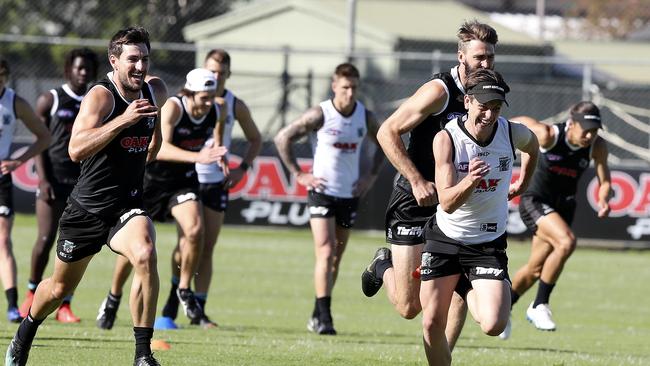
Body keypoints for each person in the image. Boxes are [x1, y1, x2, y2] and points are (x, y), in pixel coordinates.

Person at [5, 26, 170, 366]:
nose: (140, 67)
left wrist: (147, 148)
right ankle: (25, 332)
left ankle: (142, 354)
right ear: (115, 61)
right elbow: (76, 148)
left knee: (146, 253)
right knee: (57, 290)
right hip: (87, 209)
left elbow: (155, 140)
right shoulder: (101, 96)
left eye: (145, 59)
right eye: (133, 60)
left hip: (128, 205)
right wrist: (123, 122)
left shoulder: (156, 90)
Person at [360, 19, 498, 349]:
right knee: (409, 307)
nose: (486, 64)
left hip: (455, 203)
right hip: (415, 198)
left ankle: (442, 357)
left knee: (461, 283)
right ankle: (383, 265)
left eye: (490, 57)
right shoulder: (440, 91)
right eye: (479, 57)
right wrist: (417, 179)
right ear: (461, 56)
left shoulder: (488, 94)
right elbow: (386, 132)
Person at [419, 68, 538, 366]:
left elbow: (533, 146)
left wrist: (523, 181)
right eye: (484, 107)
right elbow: (446, 202)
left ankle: (463, 282)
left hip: (487, 243)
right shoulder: (447, 139)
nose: (489, 115)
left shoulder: (511, 132)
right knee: (432, 323)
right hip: (446, 238)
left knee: (493, 324)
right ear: (467, 101)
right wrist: (470, 181)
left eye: (496, 108)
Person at [96, 68, 227, 331]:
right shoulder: (174, 109)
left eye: (212, 96)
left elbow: (216, 137)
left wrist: (218, 156)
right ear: (190, 93)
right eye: (204, 97)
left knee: (194, 230)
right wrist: (198, 157)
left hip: (183, 182)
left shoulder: (218, 109)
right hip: (150, 182)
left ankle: (184, 289)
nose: (209, 102)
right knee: (133, 251)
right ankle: (112, 297)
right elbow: (160, 148)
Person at [154, 49, 263, 329]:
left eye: (221, 72)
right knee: (187, 241)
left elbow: (253, 139)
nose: (216, 76)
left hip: (214, 179)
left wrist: (240, 167)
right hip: (187, 175)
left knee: (206, 246)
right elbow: (163, 145)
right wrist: (201, 155)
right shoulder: (183, 103)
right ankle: (171, 301)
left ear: (228, 74)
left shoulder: (229, 104)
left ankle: (197, 310)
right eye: (211, 71)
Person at [275, 63, 384, 335]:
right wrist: (300, 174)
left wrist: (369, 177)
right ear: (335, 86)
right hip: (322, 192)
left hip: (349, 194)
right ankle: (325, 317)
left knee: (335, 257)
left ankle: (317, 312)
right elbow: (282, 138)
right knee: (325, 251)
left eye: (354, 88)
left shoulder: (365, 117)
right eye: (345, 87)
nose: (350, 93)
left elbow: (385, 142)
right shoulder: (320, 114)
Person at [500, 102, 611, 337]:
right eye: (586, 129)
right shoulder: (548, 135)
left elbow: (605, 180)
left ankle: (502, 312)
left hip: (564, 208)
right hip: (535, 201)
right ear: (571, 124)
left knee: (535, 269)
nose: (590, 135)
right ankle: (540, 303)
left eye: (595, 130)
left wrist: (604, 199)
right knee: (567, 242)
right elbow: (514, 123)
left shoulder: (597, 146)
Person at [18, 48, 99, 324]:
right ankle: (31, 293)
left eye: (88, 68)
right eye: (79, 68)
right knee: (45, 237)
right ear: (68, 70)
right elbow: (40, 141)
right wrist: (43, 179)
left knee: (75, 245)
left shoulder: (97, 100)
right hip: (53, 181)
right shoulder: (50, 99)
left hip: (83, 184)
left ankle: (64, 304)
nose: (84, 73)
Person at [0, 58, 51, 324]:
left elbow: (44, 136)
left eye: (1, 75)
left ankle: (11, 305)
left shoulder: (14, 102)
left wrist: (19, 160)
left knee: (3, 240)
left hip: (1, 180)